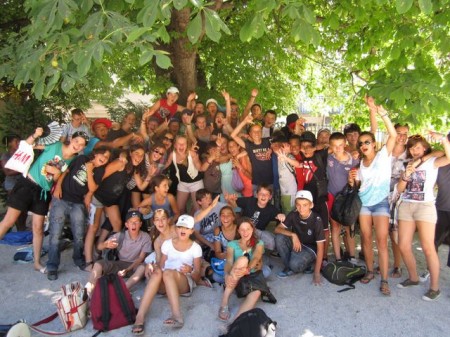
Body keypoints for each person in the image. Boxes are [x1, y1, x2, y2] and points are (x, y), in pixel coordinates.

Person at [0, 129, 89, 272]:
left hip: (43, 193)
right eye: (77, 141)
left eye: (82, 144)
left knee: (38, 228)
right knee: (8, 221)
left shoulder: (73, 160)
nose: (78, 145)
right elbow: (28, 145)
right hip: (27, 184)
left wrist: (57, 173)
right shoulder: (55, 146)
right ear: (72, 139)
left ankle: (37, 263)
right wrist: (35, 134)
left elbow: (55, 180)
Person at [348, 97, 397, 296]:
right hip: (364, 205)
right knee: (366, 240)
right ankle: (369, 271)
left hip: (381, 204)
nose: (363, 145)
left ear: (374, 144)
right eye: (361, 143)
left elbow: (392, 134)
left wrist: (379, 112)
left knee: (382, 242)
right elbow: (357, 186)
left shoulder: (384, 155)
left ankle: (384, 279)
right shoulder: (359, 164)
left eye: (367, 142)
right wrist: (352, 180)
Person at [396, 135, 450, 301]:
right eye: (411, 148)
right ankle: (413, 278)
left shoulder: (432, 161)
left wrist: (443, 140)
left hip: (425, 207)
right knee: (403, 245)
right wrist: (406, 174)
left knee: (428, 247)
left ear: (425, 148)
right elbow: (399, 188)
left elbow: (447, 155)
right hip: (406, 205)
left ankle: (434, 288)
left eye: (417, 147)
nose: (414, 151)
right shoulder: (407, 163)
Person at [46, 147, 111, 280]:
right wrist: (58, 186)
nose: (104, 158)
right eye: (102, 154)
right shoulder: (82, 158)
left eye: (107, 158)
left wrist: (89, 170)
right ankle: (52, 266)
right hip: (62, 197)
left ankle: (78, 259)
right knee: (55, 234)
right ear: (96, 153)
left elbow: (92, 188)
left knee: (79, 234)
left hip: (78, 202)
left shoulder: (99, 170)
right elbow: (66, 171)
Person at [85, 210, 152, 296]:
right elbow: (99, 247)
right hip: (120, 264)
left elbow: (140, 258)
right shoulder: (120, 235)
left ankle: (123, 289)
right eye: (131, 222)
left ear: (140, 224)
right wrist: (105, 244)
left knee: (143, 267)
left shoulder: (145, 237)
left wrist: (128, 269)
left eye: (136, 222)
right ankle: (89, 290)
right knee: (98, 264)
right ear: (126, 225)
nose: (133, 225)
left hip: (135, 266)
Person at [131, 208, 177, 335]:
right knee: (155, 272)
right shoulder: (157, 242)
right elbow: (159, 262)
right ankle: (140, 316)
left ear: (168, 220)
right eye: (157, 220)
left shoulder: (177, 230)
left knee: (161, 273)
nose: (160, 222)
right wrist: (151, 265)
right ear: (154, 223)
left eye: (163, 219)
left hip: (180, 274)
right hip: (166, 276)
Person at [218, 217, 265, 322]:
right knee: (243, 260)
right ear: (238, 230)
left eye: (248, 229)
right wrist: (226, 275)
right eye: (242, 229)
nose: (245, 232)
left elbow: (256, 257)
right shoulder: (232, 244)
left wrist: (247, 270)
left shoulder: (259, 243)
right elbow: (229, 262)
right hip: (236, 275)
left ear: (252, 229)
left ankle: (236, 322)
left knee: (257, 293)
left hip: (250, 276)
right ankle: (224, 302)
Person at [161, 215, 203, 329]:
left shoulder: (196, 248)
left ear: (192, 230)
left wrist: (191, 270)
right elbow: (161, 266)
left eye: (186, 228)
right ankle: (139, 318)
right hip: (166, 279)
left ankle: (177, 316)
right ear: (176, 229)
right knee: (159, 274)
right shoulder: (167, 244)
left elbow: (197, 276)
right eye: (180, 227)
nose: (182, 230)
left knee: (168, 273)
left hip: (184, 281)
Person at [274, 190, 325, 284]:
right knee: (279, 237)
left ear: (311, 205)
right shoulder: (293, 214)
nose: (301, 208)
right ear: (295, 205)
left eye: (305, 205)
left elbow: (321, 248)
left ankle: (305, 265)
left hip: (310, 249)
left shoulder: (316, 220)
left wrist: (317, 273)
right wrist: (293, 235)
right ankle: (289, 267)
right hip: (297, 243)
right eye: (298, 205)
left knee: (295, 264)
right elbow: (277, 229)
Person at [326, 132, 358, 263]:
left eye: (340, 145)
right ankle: (338, 257)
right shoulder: (328, 158)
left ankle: (351, 255)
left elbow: (359, 180)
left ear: (345, 144)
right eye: (334, 145)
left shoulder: (354, 159)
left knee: (349, 227)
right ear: (330, 146)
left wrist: (352, 182)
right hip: (332, 196)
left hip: (348, 198)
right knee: (335, 227)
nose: (338, 148)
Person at [226, 184, 284, 251]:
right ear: (257, 195)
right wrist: (230, 199)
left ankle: (255, 247)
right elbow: (234, 204)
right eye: (261, 194)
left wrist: (282, 216)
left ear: (270, 197)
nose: (263, 196)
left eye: (266, 194)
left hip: (257, 232)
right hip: (243, 229)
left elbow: (281, 220)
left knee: (271, 241)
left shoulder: (272, 209)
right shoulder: (249, 201)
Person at [231, 114, 273, 193]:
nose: (256, 133)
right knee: (256, 204)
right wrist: (244, 122)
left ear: (262, 132)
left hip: (270, 182)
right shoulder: (249, 146)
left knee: (271, 204)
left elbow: (280, 143)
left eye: (259, 131)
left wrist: (272, 148)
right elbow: (233, 135)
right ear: (249, 133)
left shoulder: (268, 141)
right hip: (256, 182)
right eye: (254, 131)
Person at [165, 135, 204, 214]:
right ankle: (183, 224)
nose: (181, 146)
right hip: (182, 183)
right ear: (175, 145)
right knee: (179, 209)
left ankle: (194, 223)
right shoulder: (172, 155)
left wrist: (196, 160)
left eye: (184, 144)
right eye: (179, 144)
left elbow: (200, 168)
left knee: (198, 209)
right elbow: (166, 164)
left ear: (187, 145)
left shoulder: (192, 153)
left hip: (196, 183)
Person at [1, 134, 26, 231]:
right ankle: (19, 229)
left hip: (23, 183)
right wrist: (22, 169)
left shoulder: (21, 154)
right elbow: (7, 172)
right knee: (16, 207)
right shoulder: (5, 155)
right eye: (16, 141)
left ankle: (22, 228)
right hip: (12, 185)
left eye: (19, 141)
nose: (18, 143)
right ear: (10, 143)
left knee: (24, 207)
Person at [212, 206, 238, 283]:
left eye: (228, 215)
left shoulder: (239, 229)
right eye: (223, 215)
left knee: (266, 271)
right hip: (226, 258)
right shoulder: (218, 230)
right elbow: (217, 252)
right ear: (220, 217)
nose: (225, 217)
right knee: (215, 276)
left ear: (233, 217)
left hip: (240, 258)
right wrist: (228, 256)